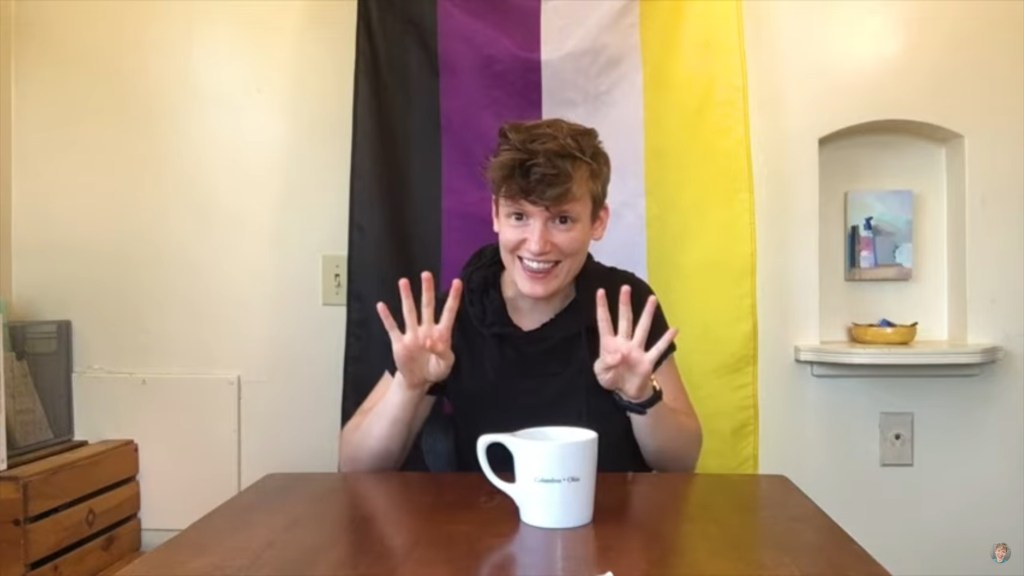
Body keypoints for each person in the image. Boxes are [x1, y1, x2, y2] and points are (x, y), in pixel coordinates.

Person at [338, 118, 702, 473]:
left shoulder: (626, 303)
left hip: (608, 525)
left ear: (598, 222)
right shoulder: (451, 316)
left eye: (562, 220)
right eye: (519, 216)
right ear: (496, 214)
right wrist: (410, 385)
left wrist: (641, 397)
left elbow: (681, 461)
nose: (537, 244)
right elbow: (355, 466)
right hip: (482, 525)